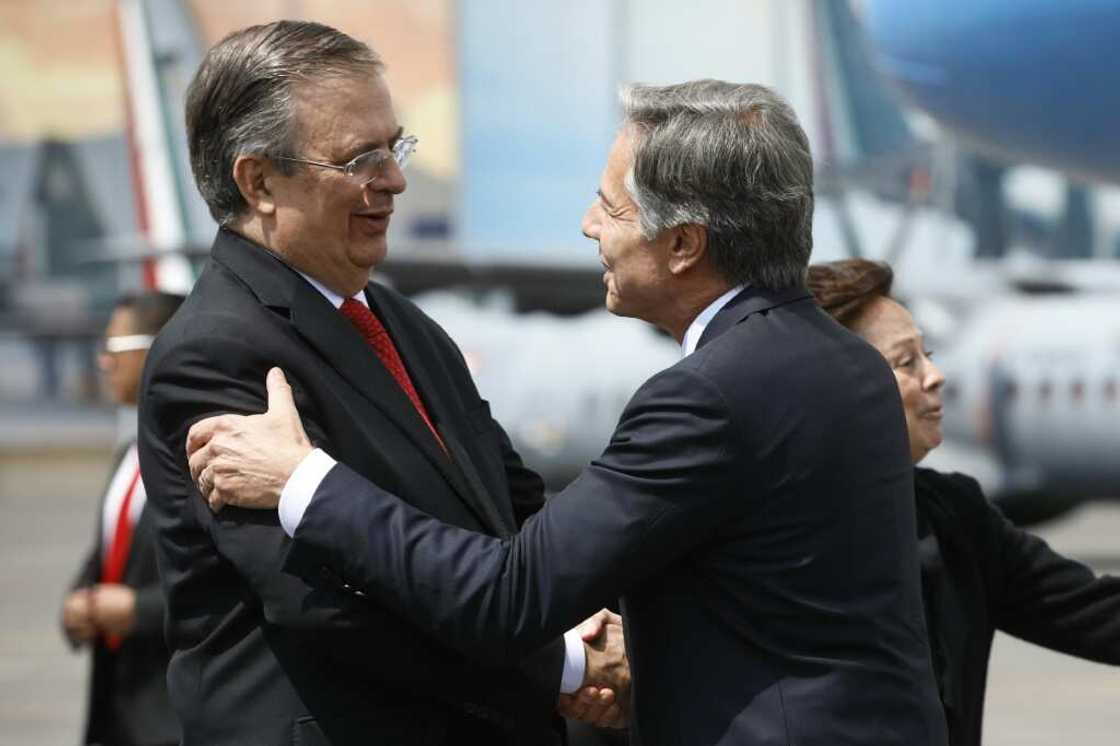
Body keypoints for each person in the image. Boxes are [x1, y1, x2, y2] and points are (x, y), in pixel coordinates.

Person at [187, 80, 949, 746]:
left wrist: (304, 482)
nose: (589, 226)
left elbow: (509, 596)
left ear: (683, 244)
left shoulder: (709, 397)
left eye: (610, 206)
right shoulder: (850, 363)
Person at [136, 20, 625, 746]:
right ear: (260, 182)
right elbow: (326, 602)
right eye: (360, 158)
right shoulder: (213, 354)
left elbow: (509, 505)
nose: (394, 180)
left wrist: (588, 613)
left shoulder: (398, 321)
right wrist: (559, 664)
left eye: (394, 148)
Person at [807, 257, 1120, 746]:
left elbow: (1097, 613)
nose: (936, 376)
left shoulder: (956, 518)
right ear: (834, 382)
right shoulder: (753, 525)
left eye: (928, 354)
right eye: (906, 362)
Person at [61, 291, 183, 746]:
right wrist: (78, 602)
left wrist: (135, 610)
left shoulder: (199, 460)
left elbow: (227, 584)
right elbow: (107, 552)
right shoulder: (130, 452)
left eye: (113, 348)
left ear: (157, 348)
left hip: (172, 720)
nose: (103, 362)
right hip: (114, 718)